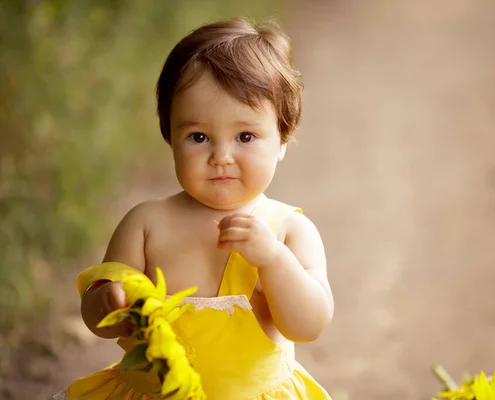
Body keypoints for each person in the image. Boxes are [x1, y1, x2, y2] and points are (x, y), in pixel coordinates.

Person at [54, 16, 334, 400]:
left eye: (245, 136)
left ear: (283, 139)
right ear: (170, 137)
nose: (221, 156)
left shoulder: (289, 230)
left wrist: (272, 260)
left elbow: (309, 325)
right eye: (198, 136)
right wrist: (107, 303)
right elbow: (99, 321)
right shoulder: (146, 223)